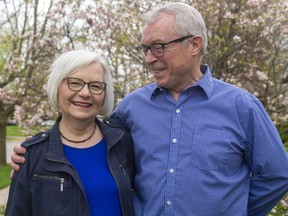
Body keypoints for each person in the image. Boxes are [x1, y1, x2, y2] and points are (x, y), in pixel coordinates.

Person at [11, 2, 288, 216]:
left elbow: (277, 175)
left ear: (194, 44)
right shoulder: (132, 107)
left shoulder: (241, 107)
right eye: (145, 49)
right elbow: (90, 144)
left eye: (157, 47)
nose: (148, 59)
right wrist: (34, 154)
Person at [6, 50, 135, 216]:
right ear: (57, 87)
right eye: (74, 83)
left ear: (104, 95)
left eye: (95, 86)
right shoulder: (31, 154)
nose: (85, 93)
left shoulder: (122, 144)